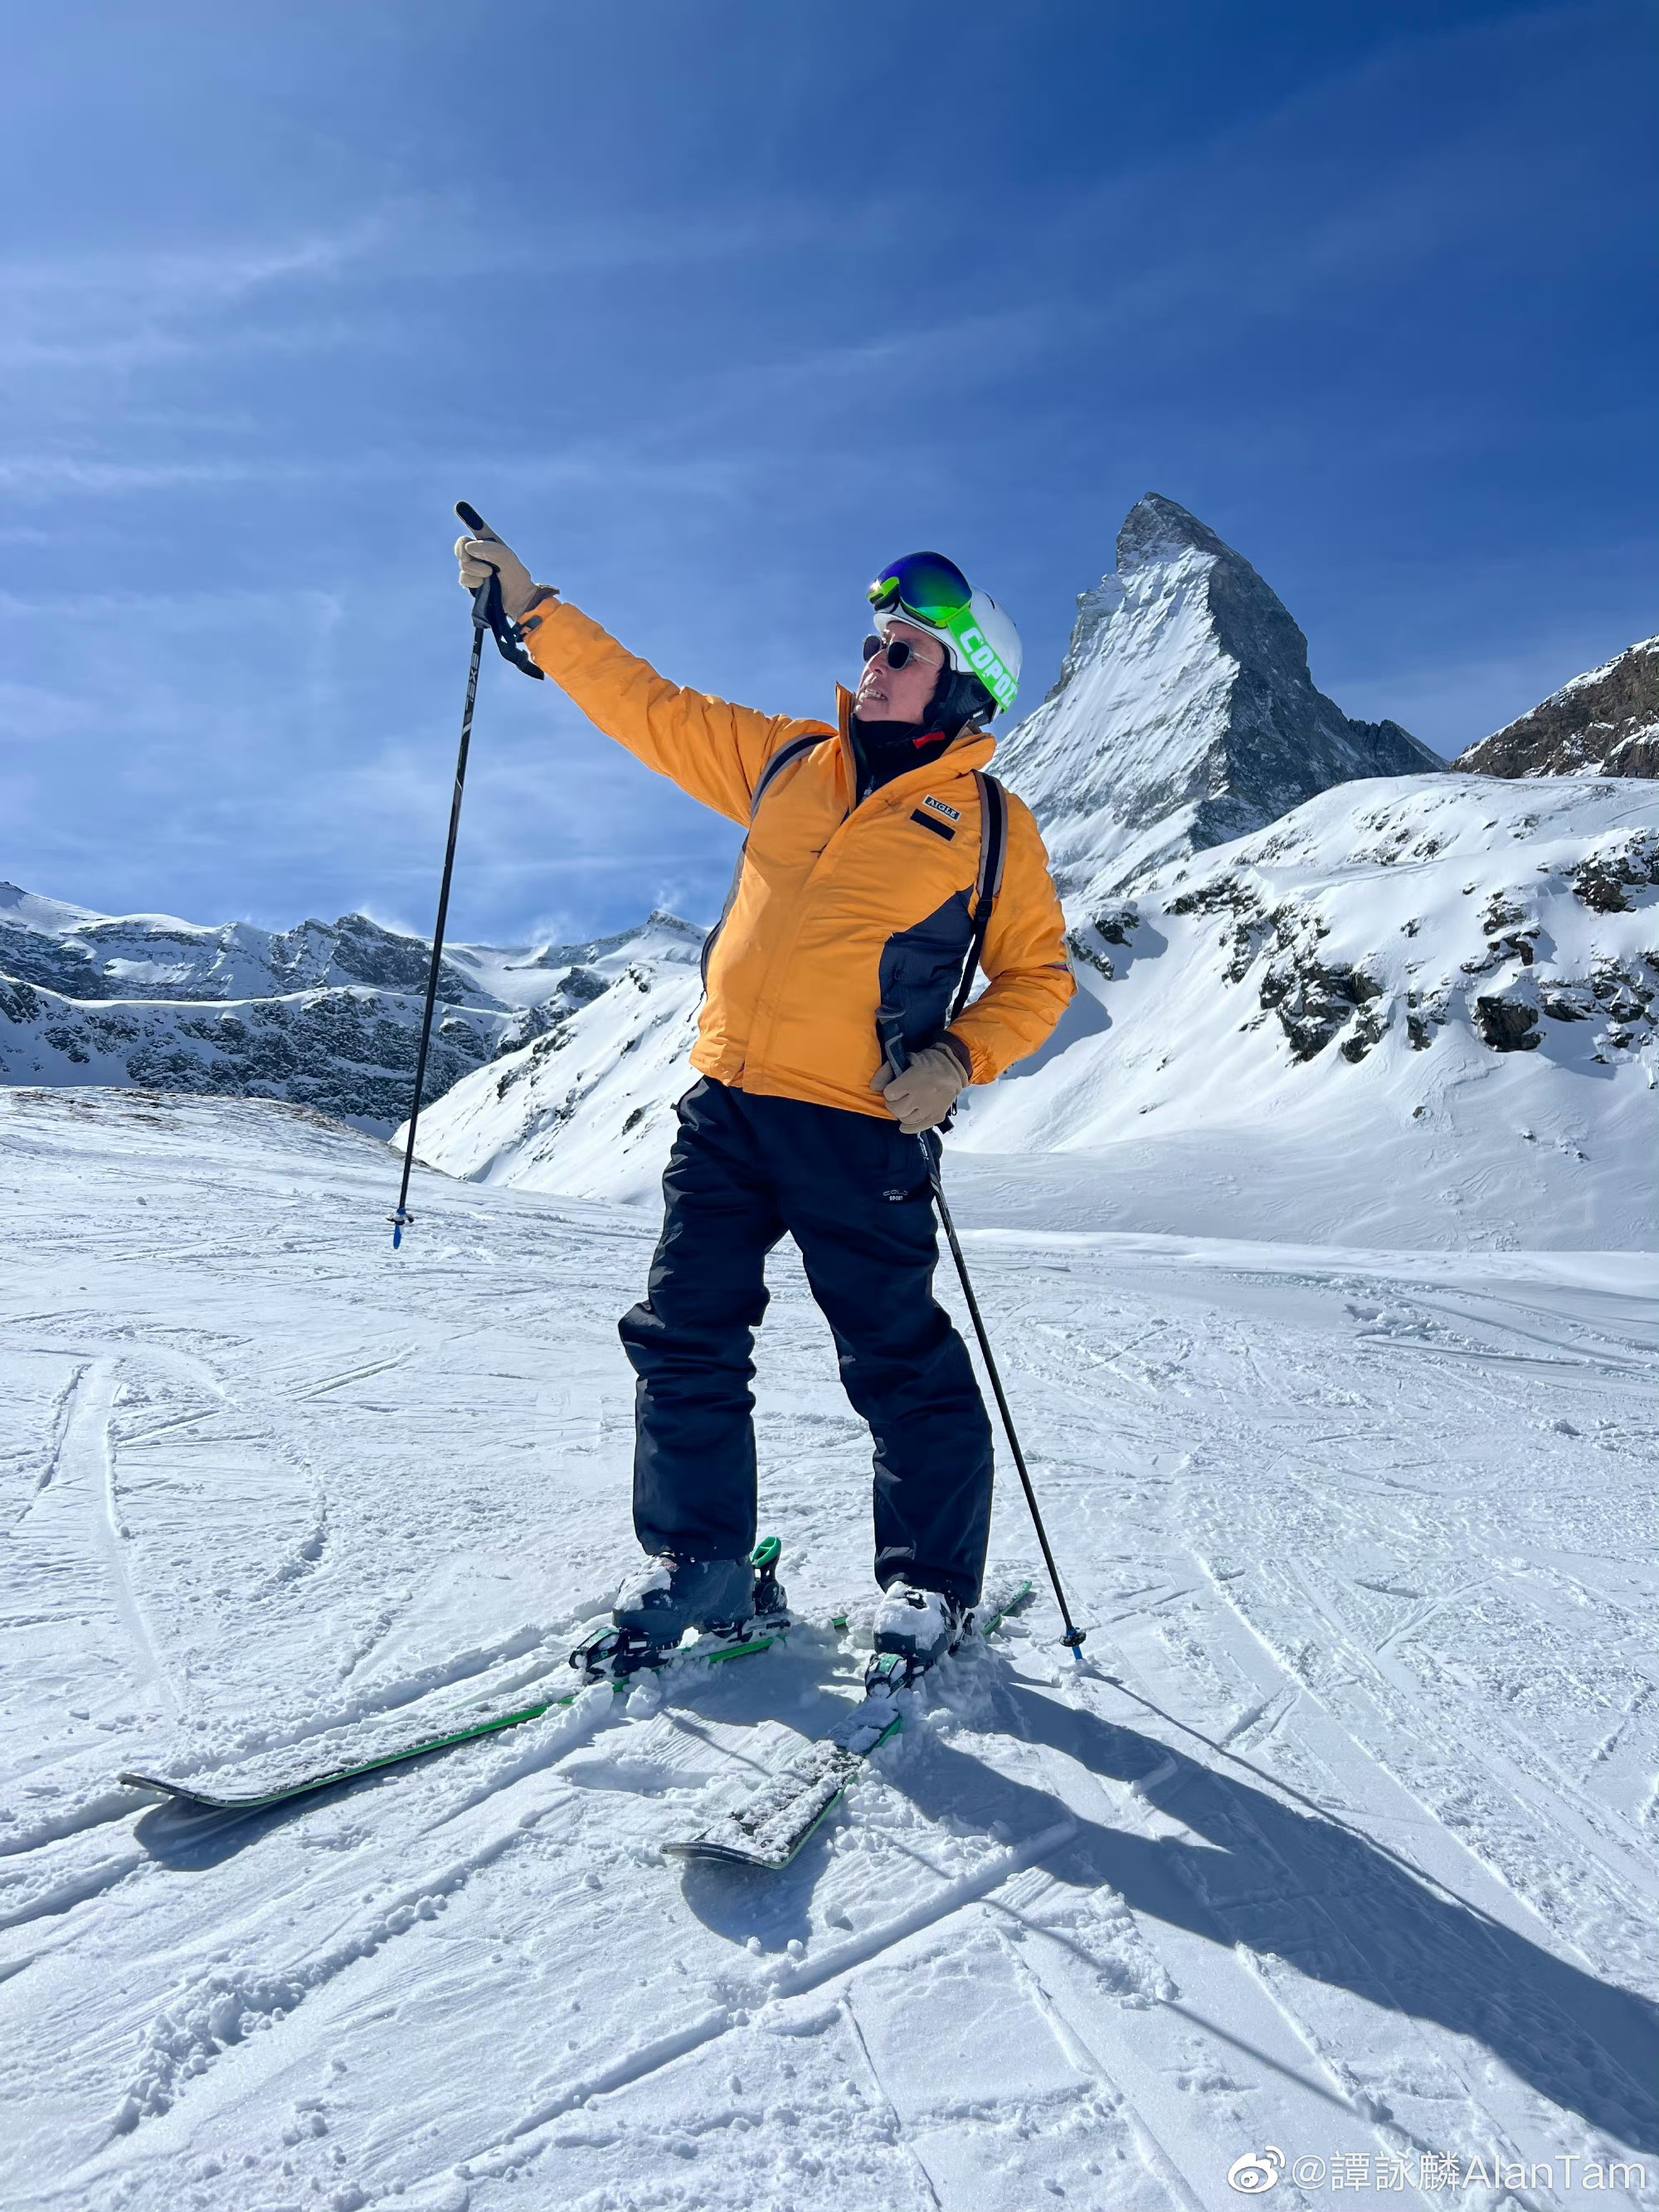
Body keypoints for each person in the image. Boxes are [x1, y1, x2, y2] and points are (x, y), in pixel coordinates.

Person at [455, 524, 1073, 1676]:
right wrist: (536, 610)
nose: (874, 663)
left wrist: (958, 1061)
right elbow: (648, 706)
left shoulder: (991, 829)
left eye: (904, 651)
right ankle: (705, 1567)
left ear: (965, 680)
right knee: (685, 1336)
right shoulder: (793, 761)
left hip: (859, 1125)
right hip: (730, 1102)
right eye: (877, 643)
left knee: (897, 1361)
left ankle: (930, 1587)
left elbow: (1039, 978)